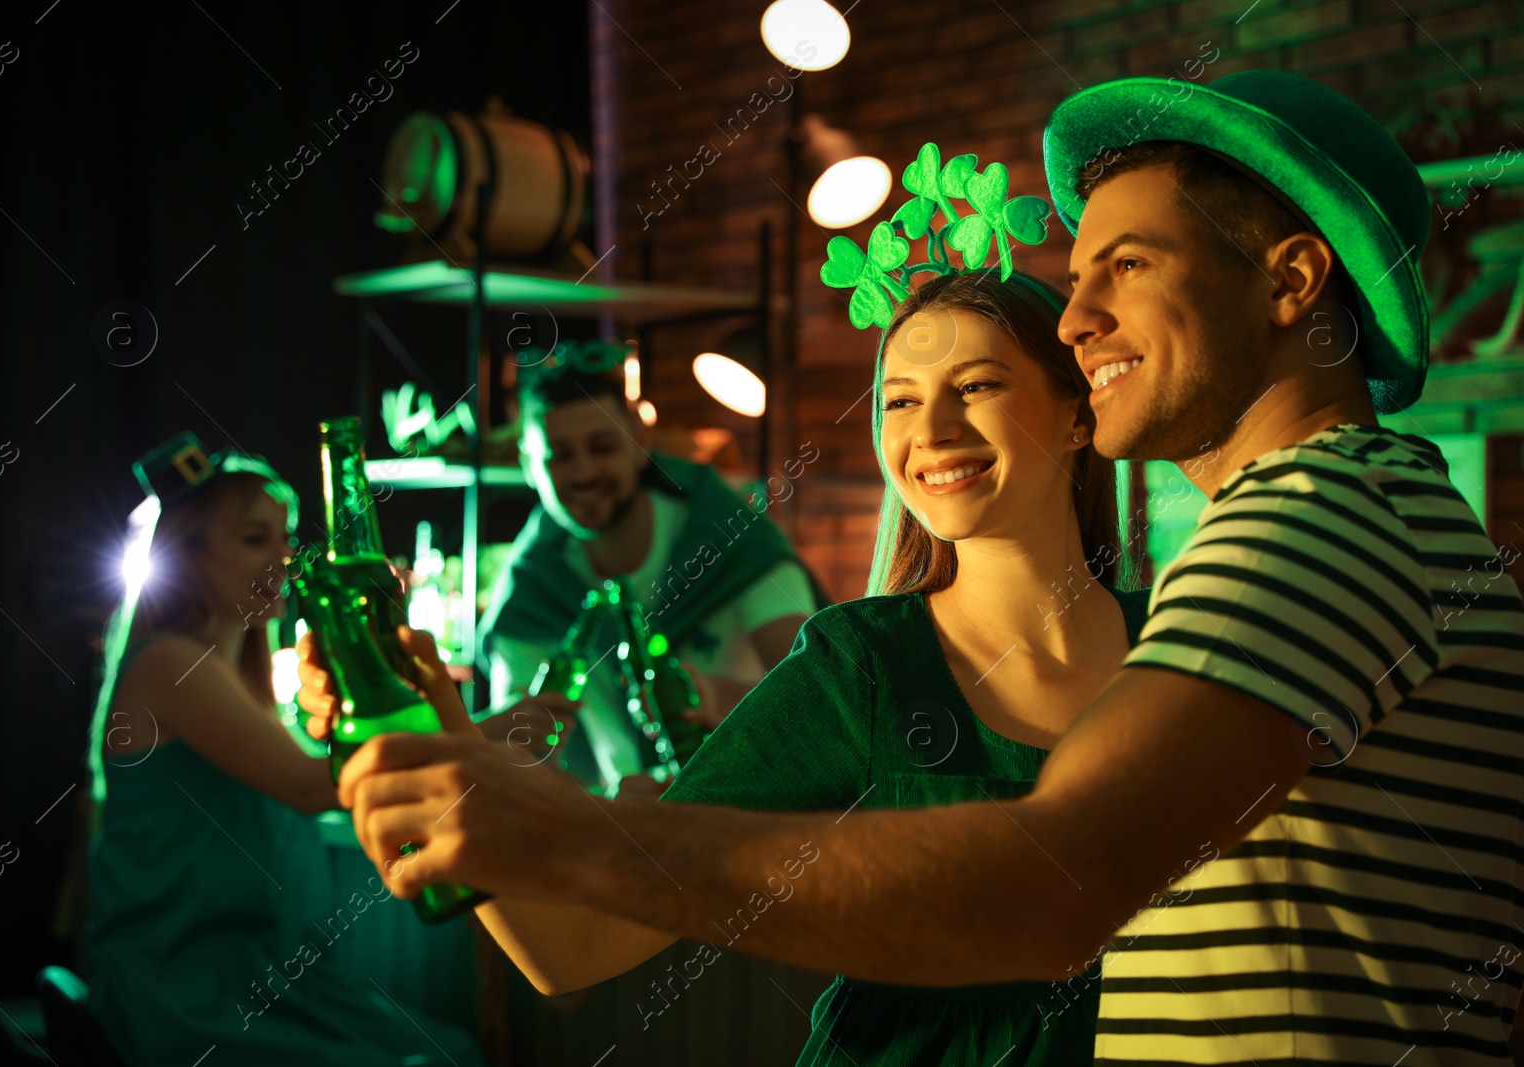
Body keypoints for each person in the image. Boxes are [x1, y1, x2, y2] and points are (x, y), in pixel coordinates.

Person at [323, 70, 1524, 1064]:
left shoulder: (1319, 516)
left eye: (1126, 266)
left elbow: (1055, 879)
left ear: (1290, 281)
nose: (1076, 315)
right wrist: (457, 757)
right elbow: (572, 944)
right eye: (897, 399)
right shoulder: (897, 654)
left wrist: (574, 835)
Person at [304, 252, 1154, 1062]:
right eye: (897, 401)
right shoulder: (859, 667)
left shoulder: (1183, 642)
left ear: (1078, 412)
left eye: (976, 385)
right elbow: (575, 946)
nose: (930, 429)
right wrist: (438, 748)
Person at [83, 433, 487, 1067]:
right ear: (187, 556)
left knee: (452, 1050)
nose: (286, 557)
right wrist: (477, 730)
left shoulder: (238, 672)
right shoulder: (171, 664)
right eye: (254, 539)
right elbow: (309, 785)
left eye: (286, 535)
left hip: (265, 978)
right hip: (187, 989)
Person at [476, 341, 827, 796]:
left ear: (640, 442)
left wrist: (723, 700)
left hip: (751, 821)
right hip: (616, 830)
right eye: (559, 455)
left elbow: (819, 702)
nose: (583, 473)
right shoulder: (532, 589)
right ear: (527, 463)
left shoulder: (733, 542)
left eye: (602, 447)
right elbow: (523, 749)